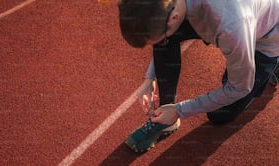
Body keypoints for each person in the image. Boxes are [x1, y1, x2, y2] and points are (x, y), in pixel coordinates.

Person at [118, 0, 279, 152]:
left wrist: (180, 110)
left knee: (220, 114)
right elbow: (163, 31)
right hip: (220, 14)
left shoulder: (231, 28)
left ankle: (274, 63)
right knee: (169, 37)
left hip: (267, 37)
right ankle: (165, 120)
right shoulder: (172, 6)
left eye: (159, 39)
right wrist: (150, 78)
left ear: (174, 18)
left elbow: (240, 87)